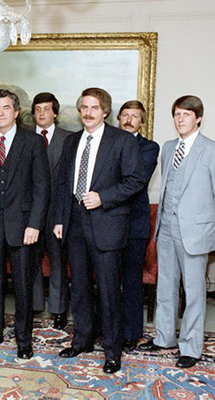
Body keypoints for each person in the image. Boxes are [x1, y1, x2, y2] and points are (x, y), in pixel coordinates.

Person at [54, 88, 145, 374]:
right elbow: (61, 184)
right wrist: (59, 219)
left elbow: (135, 181)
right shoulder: (71, 142)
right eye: (83, 107)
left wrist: (103, 197)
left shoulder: (121, 141)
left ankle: (112, 352)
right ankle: (81, 340)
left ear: (105, 111)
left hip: (106, 222)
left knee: (108, 291)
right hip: (74, 223)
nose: (88, 113)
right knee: (78, 287)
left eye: (94, 107)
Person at [0, 89, 49, 360]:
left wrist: (35, 224)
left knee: (23, 285)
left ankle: (23, 339)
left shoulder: (33, 142)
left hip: (23, 226)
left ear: (16, 112)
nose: (0, 113)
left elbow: (42, 188)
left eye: (5, 108)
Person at [139, 95, 215, 369]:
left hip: (196, 233)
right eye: (177, 114)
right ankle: (164, 337)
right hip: (167, 229)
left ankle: (192, 347)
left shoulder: (210, 150)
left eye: (186, 114)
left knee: (193, 292)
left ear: (198, 118)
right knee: (166, 287)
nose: (180, 119)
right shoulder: (169, 148)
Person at [116, 100, 159, 352]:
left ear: (142, 122)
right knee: (106, 278)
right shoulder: (106, 142)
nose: (129, 120)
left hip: (134, 223)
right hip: (107, 221)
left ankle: (131, 334)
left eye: (135, 116)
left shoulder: (149, 147)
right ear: (118, 118)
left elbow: (137, 180)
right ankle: (104, 328)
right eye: (125, 115)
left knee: (131, 280)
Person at [30, 92, 72, 330]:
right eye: (38, 109)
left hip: (58, 213)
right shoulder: (24, 138)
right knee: (32, 262)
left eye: (46, 109)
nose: (42, 113)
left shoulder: (69, 139)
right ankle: (35, 305)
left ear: (55, 112)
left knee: (58, 263)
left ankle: (58, 310)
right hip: (32, 214)